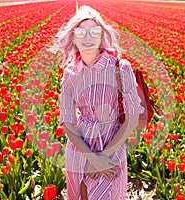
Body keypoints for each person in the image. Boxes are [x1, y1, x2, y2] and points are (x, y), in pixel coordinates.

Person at [56, 5, 144, 200]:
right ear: (73, 38)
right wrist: (91, 158)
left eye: (94, 31)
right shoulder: (70, 74)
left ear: (102, 35)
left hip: (112, 144)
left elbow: (131, 119)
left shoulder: (120, 68)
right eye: (81, 32)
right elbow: (68, 121)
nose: (88, 37)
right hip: (80, 148)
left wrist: (103, 158)